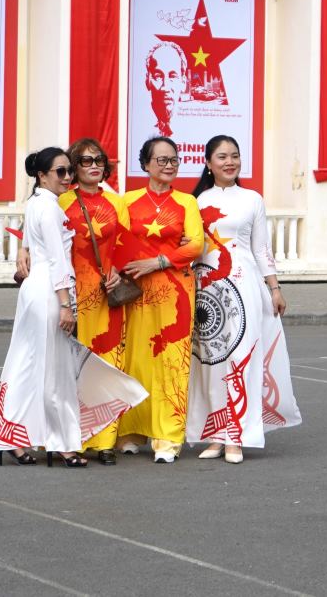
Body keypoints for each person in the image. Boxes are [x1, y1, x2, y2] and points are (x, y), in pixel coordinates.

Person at [0, 148, 146, 468]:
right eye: (60, 172)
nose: (67, 178)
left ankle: (11, 436)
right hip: (50, 289)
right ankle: (60, 443)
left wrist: (24, 249)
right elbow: (60, 261)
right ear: (42, 175)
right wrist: (66, 306)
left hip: (35, 289)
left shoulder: (36, 203)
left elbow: (33, 244)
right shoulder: (50, 209)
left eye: (68, 172)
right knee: (56, 368)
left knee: (27, 361)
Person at [186, 136, 301, 464]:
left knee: (241, 359)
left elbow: (262, 248)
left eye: (234, 156)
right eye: (221, 156)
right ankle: (214, 435)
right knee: (209, 363)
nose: (229, 162)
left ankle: (237, 436)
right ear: (208, 163)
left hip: (245, 285)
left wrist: (274, 288)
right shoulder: (196, 201)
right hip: (207, 290)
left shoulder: (252, 199)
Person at [115, 137, 204, 463]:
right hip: (136, 293)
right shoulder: (128, 201)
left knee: (171, 363)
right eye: (162, 160)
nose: (169, 165)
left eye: (173, 160)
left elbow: (196, 245)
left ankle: (168, 437)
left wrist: (158, 261)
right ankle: (131, 431)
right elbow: (117, 239)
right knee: (135, 360)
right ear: (146, 164)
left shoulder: (186, 202)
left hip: (175, 293)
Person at [56, 139, 131, 465]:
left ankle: (105, 441)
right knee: (70, 366)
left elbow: (128, 244)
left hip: (106, 295)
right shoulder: (61, 202)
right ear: (74, 166)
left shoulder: (117, 202)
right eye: (85, 161)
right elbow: (40, 242)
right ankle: (72, 438)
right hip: (72, 295)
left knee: (107, 364)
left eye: (98, 159)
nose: (93, 165)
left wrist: (119, 270)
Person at [145, 42, 188, 138]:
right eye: (158, 76)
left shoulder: (191, 131)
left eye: (172, 76)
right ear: (148, 80)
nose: (165, 87)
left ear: (183, 82)